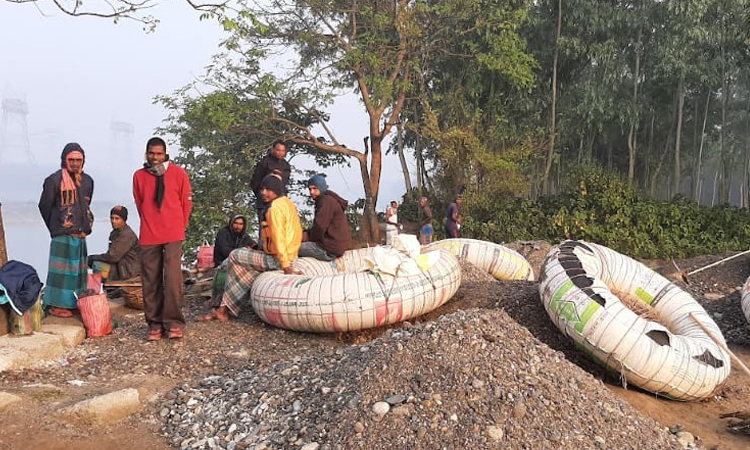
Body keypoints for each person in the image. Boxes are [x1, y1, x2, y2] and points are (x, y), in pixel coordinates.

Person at [198, 174, 302, 323]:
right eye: (262, 189)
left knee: (235, 255)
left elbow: (279, 237)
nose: (263, 193)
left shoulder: (274, 209)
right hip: (291, 256)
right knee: (245, 270)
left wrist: (285, 266)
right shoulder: (289, 204)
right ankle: (222, 310)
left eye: (268, 189)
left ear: (276, 190)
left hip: (278, 259)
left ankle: (220, 306)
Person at [133, 137, 193, 341]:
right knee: (150, 280)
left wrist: (179, 226)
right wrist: (152, 223)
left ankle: (174, 322)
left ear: (166, 154)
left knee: (173, 279)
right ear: (146, 154)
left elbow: (186, 203)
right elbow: (140, 204)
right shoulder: (139, 176)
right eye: (151, 153)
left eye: (159, 153)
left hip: (174, 233)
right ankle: (155, 323)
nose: (155, 157)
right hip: (149, 233)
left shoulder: (178, 173)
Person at [38, 142, 95, 318]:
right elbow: (44, 206)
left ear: (83, 161)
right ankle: (56, 305)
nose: (76, 163)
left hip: (81, 234)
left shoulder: (88, 181)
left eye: (79, 160)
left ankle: (74, 303)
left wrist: (84, 225)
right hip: (62, 235)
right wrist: (56, 227)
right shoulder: (53, 180)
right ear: (64, 160)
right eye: (72, 159)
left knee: (78, 273)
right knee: (61, 274)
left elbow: (85, 205)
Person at [298, 174, 351, 261]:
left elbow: (319, 227)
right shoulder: (326, 200)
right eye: (310, 189)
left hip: (329, 248)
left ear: (321, 188)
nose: (311, 192)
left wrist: (304, 237)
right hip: (334, 246)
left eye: (315, 188)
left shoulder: (326, 202)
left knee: (293, 248)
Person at [249, 140, 292, 246]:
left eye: (282, 151)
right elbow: (255, 182)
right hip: (263, 203)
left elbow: (284, 184)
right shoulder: (264, 163)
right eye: (277, 150)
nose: (279, 153)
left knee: (279, 228)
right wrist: (262, 195)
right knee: (264, 230)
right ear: (273, 149)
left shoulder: (286, 166)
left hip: (279, 204)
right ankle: (262, 250)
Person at [87, 205, 141, 281]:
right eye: (112, 218)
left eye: (117, 218)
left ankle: (104, 287)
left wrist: (92, 258)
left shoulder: (126, 235)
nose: (113, 221)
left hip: (127, 271)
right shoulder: (116, 233)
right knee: (95, 263)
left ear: (124, 220)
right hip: (119, 266)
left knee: (97, 265)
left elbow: (112, 257)